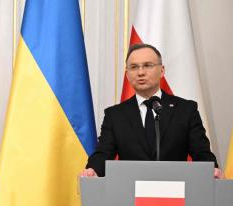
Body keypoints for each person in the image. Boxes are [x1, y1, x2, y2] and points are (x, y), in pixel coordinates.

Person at [80, 43, 221, 178]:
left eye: (148, 65)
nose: (141, 72)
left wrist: (212, 169)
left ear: (162, 70)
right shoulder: (115, 115)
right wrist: (93, 170)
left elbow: (201, 153)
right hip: (130, 195)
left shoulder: (186, 110)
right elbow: (103, 154)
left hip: (175, 193)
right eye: (134, 67)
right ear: (127, 74)